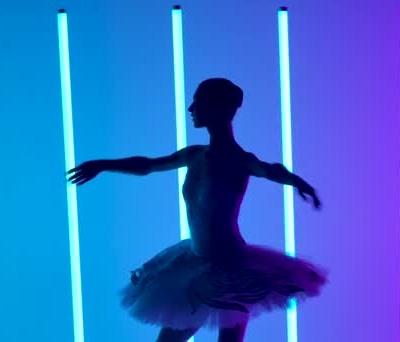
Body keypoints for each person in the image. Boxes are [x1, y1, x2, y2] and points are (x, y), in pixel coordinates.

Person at [67, 78, 327, 342]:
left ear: (216, 107)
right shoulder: (194, 155)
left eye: (198, 101)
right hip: (194, 262)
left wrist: (298, 182)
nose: (191, 108)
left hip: (232, 267)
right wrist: (102, 164)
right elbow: (147, 165)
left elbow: (270, 170)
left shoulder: (238, 160)